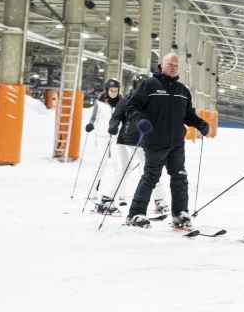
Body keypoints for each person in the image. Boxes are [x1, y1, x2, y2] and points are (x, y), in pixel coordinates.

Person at [123, 53, 209, 228]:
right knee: (151, 177)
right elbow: (131, 107)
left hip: (176, 142)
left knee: (180, 177)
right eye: (170, 64)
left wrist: (199, 123)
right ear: (161, 65)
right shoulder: (149, 85)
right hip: (155, 141)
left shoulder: (183, 90)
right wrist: (140, 120)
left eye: (176, 65)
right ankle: (135, 214)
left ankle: (180, 213)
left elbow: (188, 115)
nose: (174, 68)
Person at [104, 74, 170, 216]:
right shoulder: (127, 100)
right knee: (126, 170)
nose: (140, 87)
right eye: (138, 84)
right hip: (126, 141)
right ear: (134, 85)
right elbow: (116, 116)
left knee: (152, 170)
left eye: (144, 84)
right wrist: (113, 125)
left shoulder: (153, 102)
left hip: (144, 141)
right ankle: (106, 200)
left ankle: (159, 200)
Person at [85, 78, 121, 213]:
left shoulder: (122, 102)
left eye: (116, 90)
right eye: (111, 90)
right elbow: (94, 118)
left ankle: (118, 193)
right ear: (107, 90)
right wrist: (90, 125)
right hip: (102, 136)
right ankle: (92, 190)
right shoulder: (99, 103)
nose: (113, 93)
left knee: (118, 165)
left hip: (116, 137)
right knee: (100, 164)